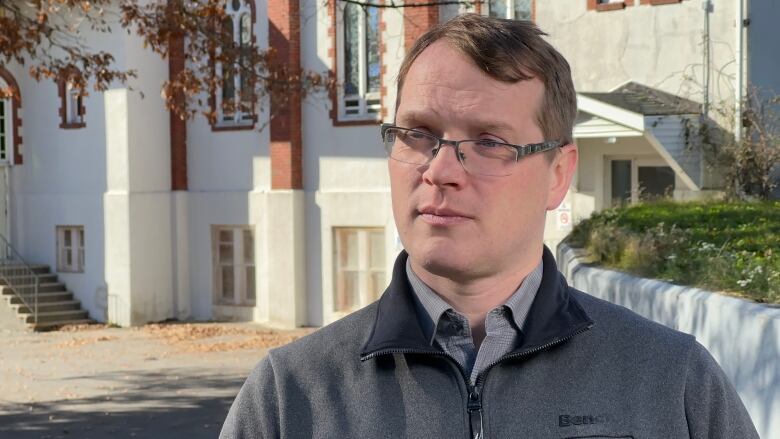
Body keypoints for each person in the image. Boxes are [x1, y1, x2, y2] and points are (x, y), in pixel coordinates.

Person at [220, 14, 758, 439]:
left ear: (558, 175)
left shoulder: (674, 382)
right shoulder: (290, 398)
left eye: (489, 142)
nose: (440, 170)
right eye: (417, 134)